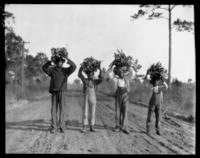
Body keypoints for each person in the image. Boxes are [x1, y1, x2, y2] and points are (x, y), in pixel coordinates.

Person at [42, 54, 76, 133]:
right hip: (54, 92)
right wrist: (51, 61)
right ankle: (54, 127)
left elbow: (74, 67)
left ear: (63, 63)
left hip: (62, 92)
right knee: (53, 110)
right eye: (57, 62)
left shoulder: (66, 71)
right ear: (56, 63)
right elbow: (44, 68)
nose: (59, 63)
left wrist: (67, 58)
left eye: (61, 62)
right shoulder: (52, 70)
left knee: (62, 110)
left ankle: (62, 127)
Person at [107, 66, 135, 134]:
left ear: (126, 72)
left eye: (124, 72)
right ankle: (117, 126)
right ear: (119, 72)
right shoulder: (116, 79)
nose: (123, 73)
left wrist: (130, 65)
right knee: (117, 111)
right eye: (121, 71)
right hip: (118, 95)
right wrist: (112, 65)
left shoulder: (127, 79)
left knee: (125, 110)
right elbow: (109, 75)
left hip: (125, 95)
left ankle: (125, 127)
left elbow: (133, 74)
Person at [78, 66, 103, 132]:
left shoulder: (95, 81)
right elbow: (79, 75)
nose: (90, 75)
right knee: (85, 112)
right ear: (87, 74)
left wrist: (100, 69)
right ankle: (84, 127)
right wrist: (82, 67)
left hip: (93, 97)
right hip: (86, 97)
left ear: (93, 74)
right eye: (89, 74)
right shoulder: (85, 80)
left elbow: (101, 79)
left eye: (92, 74)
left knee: (93, 112)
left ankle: (92, 126)